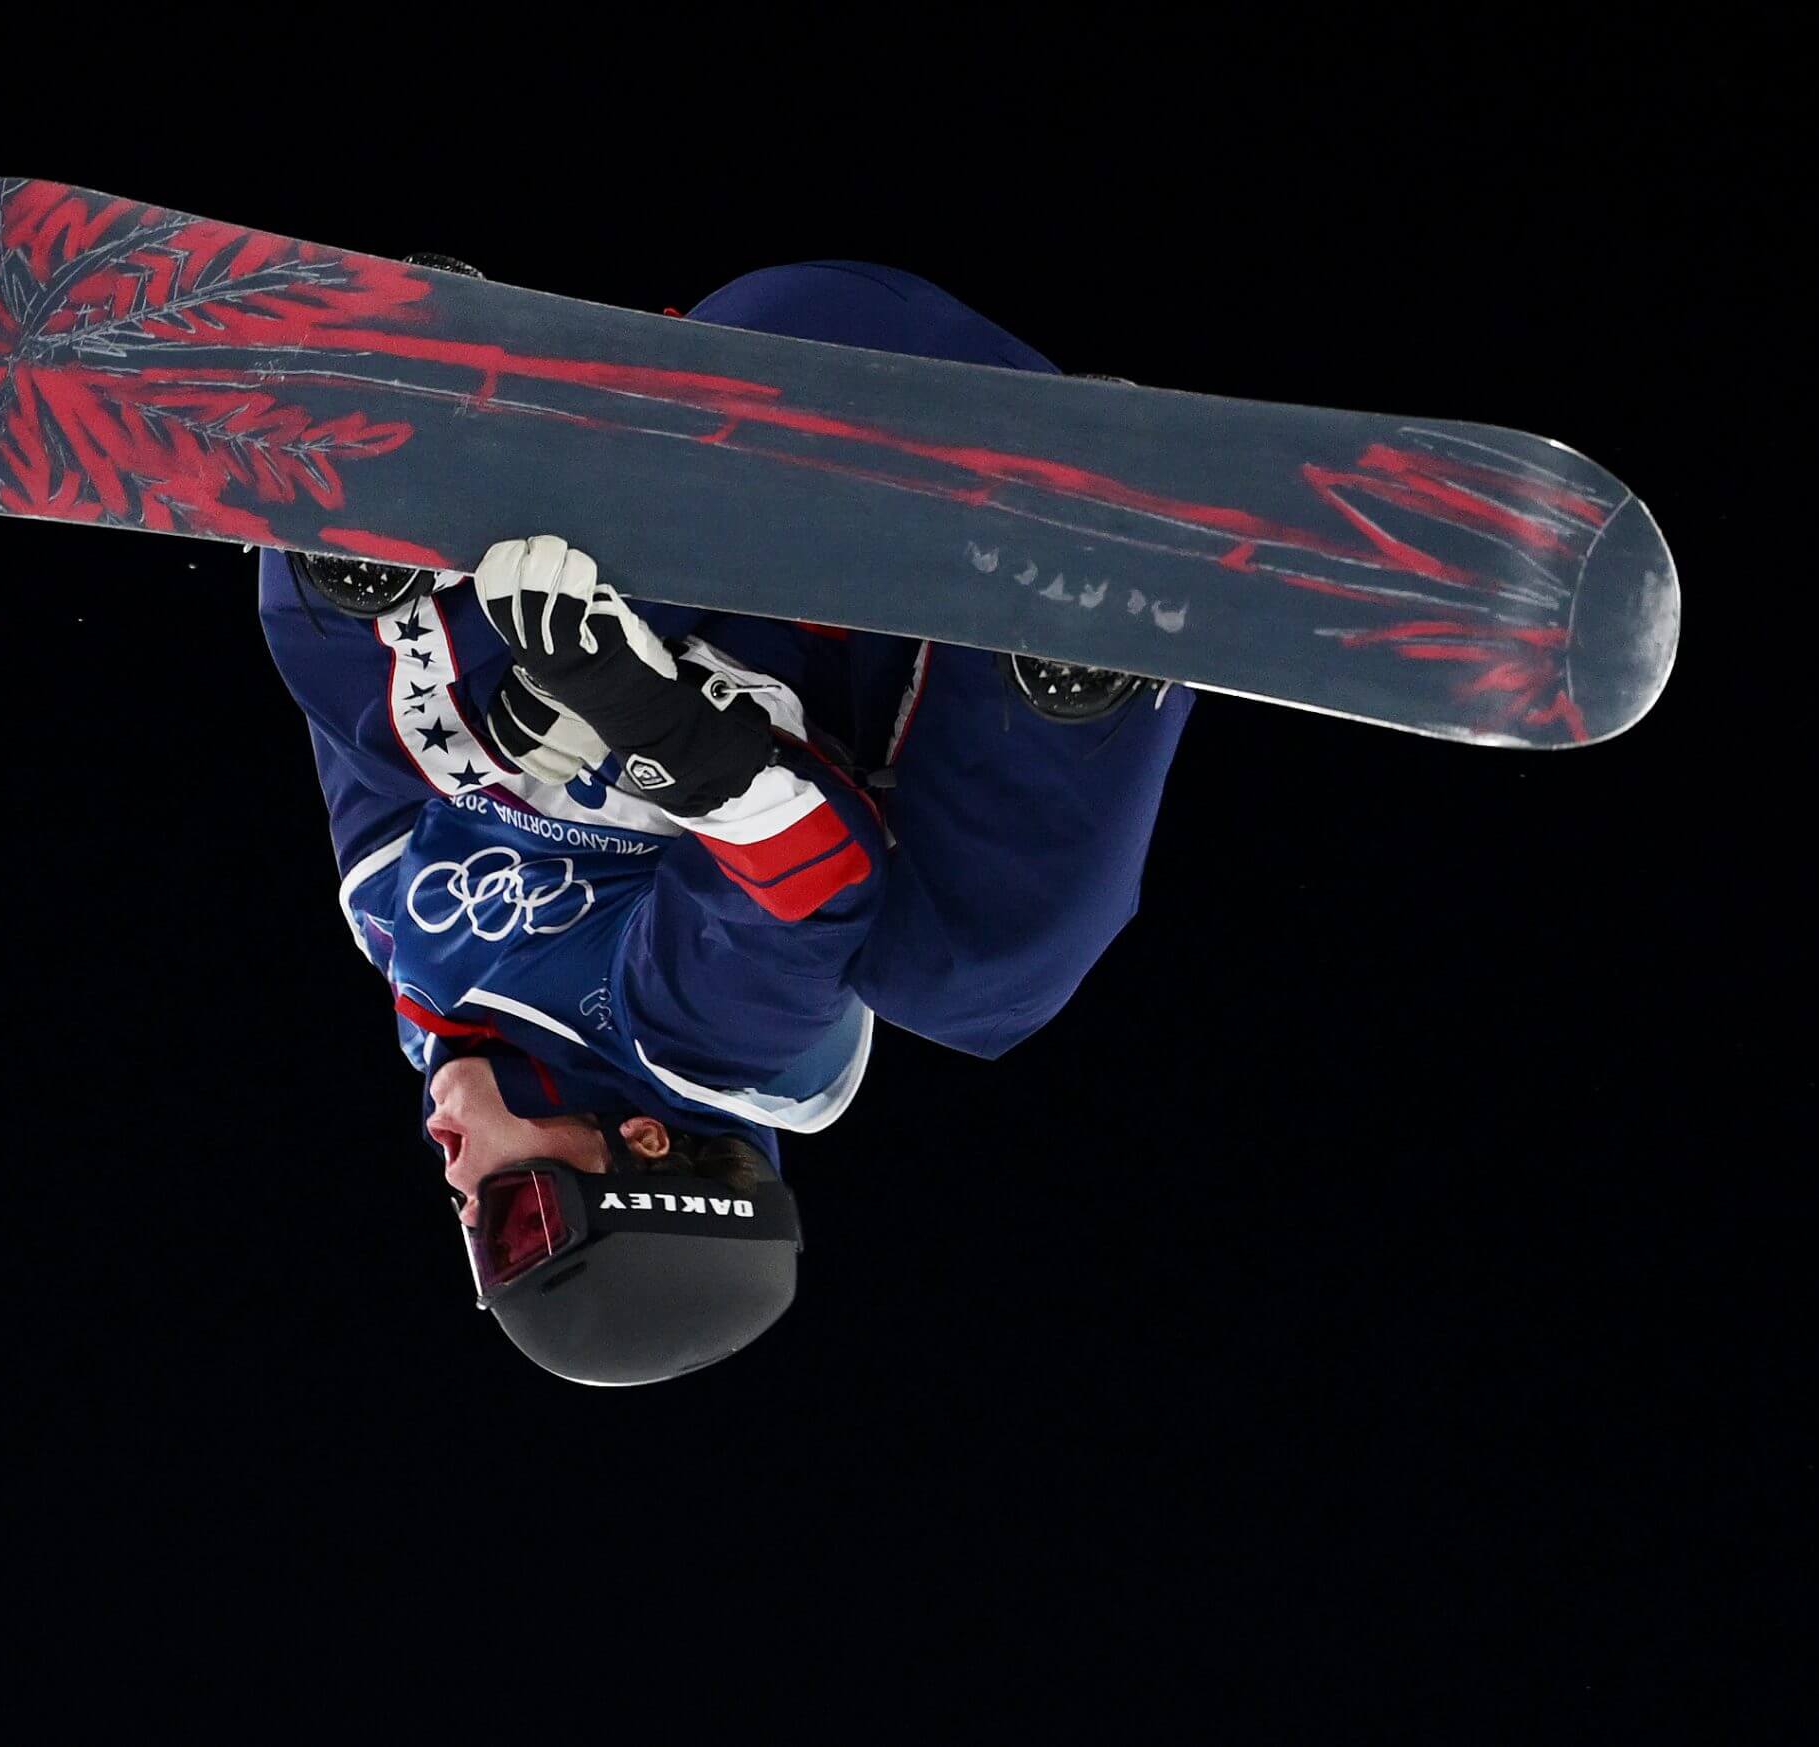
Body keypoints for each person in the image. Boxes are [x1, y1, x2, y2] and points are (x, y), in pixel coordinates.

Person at [256, 260, 1195, 1386]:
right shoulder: (707, 1046)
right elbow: (802, 886)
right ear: (643, 1154)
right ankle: (1084, 600)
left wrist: (466, 693)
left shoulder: (402, 948)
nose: (456, 1188)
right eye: (510, 1218)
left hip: (697, 394)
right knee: (978, 979)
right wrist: (639, 715)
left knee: (362, 707)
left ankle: (403, 440)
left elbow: (354, 719)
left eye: (471, 1235)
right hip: (872, 523)